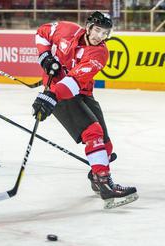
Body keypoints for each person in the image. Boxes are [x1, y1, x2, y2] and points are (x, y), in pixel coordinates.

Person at [32, 11, 138, 209]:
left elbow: (74, 81)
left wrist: (50, 97)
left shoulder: (100, 53)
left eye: (105, 33)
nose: (100, 36)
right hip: (57, 90)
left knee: (106, 146)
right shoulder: (66, 29)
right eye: (97, 30)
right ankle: (105, 185)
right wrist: (45, 56)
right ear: (88, 27)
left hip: (71, 91)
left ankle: (97, 176)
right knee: (93, 132)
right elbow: (41, 32)